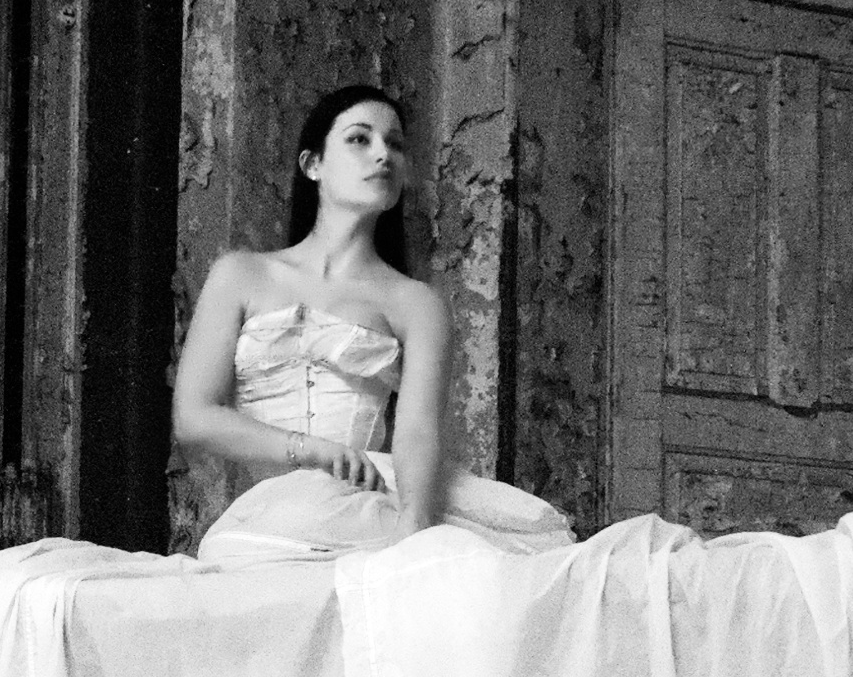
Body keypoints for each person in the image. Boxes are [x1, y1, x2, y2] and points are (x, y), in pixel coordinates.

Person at [175, 83, 572, 564]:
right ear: (313, 165)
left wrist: (413, 533)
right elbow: (194, 418)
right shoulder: (240, 274)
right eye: (359, 139)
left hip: (366, 513)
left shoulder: (416, 303)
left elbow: (417, 433)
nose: (383, 154)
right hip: (264, 520)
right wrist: (313, 450)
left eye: (395, 144)